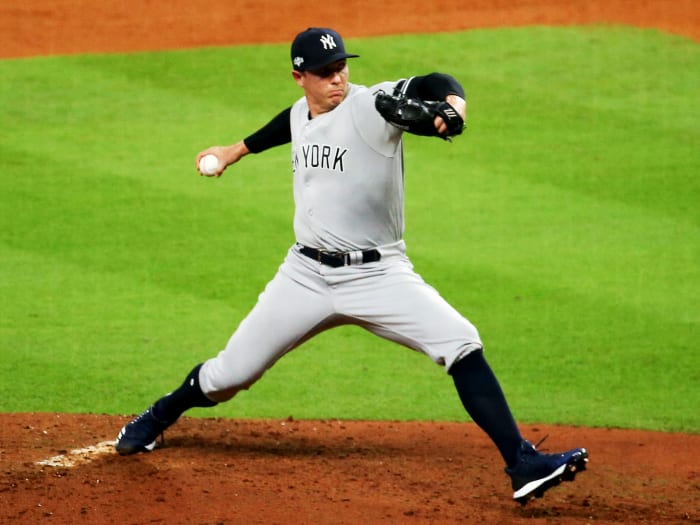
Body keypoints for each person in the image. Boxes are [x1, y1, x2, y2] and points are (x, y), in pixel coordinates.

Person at [115, 27, 588, 504]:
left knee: (461, 342)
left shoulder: (370, 105)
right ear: (299, 76)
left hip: (379, 275)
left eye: (342, 66)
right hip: (303, 276)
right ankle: (158, 416)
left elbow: (432, 81)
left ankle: (521, 462)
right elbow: (293, 122)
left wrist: (452, 107)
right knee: (229, 376)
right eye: (324, 72)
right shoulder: (303, 111)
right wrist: (234, 151)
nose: (337, 78)